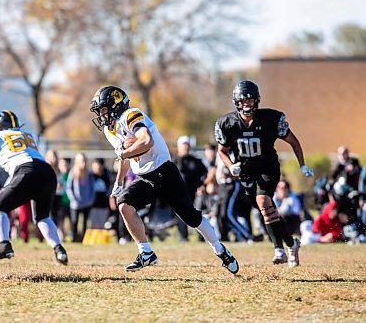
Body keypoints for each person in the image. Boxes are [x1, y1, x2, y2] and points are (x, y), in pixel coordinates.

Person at [90, 85, 238, 273]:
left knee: (192, 218)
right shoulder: (109, 131)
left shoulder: (130, 115)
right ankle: (146, 252)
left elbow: (146, 141)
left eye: (103, 109)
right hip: (144, 177)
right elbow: (123, 158)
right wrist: (119, 182)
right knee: (124, 204)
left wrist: (126, 151)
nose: (102, 115)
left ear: (116, 105)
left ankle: (220, 250)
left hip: (164, 172)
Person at [214, 80, 314, 267]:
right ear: (236, 102)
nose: (247, 104)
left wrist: (302, 165)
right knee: (268, 211)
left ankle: (279, 250)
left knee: (263, 202)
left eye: (250, 100)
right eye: (243, 101)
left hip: (268, 169)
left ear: (257, 101)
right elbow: (222, 150)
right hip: (246, 174)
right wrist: (230, 165)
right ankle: (292, 245)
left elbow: (294, 142)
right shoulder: (227, 123)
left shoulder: (270, 119)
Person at [0, 110, 68, 265]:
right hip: (47, 172)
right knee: (42, 216)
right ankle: (59, 250)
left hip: (26, 170)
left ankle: (3, 246)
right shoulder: (27, 134)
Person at [172, 136, 208, 241]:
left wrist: (203, 185)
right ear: (178, 147)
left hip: (195, 194)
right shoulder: (173, 161)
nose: (186, 148)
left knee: (197, 214)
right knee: (181, 215)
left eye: (187, 145)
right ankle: (183, 237)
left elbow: (205, 175)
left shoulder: (196, 161)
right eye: (183, 145)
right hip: (180, 193)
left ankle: (201, 237)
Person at [66, 153, 95, 242]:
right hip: (76, 204)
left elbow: (92, 188)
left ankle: (83, 239)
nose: (83, 163)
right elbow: (69, 188)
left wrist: (91, 199)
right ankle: (75, 238)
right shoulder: (73, 172)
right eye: (81, 161)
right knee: (74, 222)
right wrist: (73, 199)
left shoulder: (89, 174)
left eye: (84, 161)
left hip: (87, 202)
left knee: (85, 222)